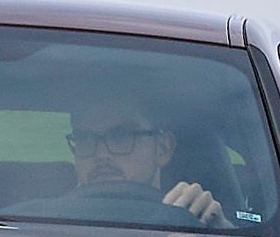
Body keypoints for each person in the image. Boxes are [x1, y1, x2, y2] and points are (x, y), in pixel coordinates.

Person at [66, 96, 233, 227]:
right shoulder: (46, 227)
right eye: (85, 138)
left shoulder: (194, 217)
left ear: (163, 148)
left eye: (122, 136)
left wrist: (217, 229)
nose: (101, 154)